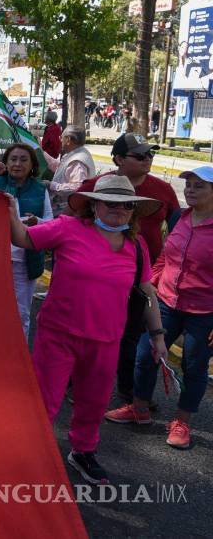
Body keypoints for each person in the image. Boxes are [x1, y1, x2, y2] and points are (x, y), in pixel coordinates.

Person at [9, 175, 165, 484]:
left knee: (93, 402)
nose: (118, 209)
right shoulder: (68, 228)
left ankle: (82, 450)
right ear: (94, 205)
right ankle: (29, 453)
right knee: (44, 399)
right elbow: (23, 238)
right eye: (110, 202)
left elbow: (147, 291)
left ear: (134, 211)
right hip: (58, 335)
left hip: (106, 340)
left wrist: (158, 335)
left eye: (126, 205)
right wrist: (9, 211)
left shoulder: (136, 246)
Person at [105, 166, 213, 450]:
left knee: (194, 367)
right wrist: (150, 284)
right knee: (145, 355)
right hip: (166, 301)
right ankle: (139, 408)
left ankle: (182, 422)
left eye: (199, 186)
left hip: (204, 312)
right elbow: (166, 256)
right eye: (189, 184)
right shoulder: (181, 218)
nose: (190, 190)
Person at [75, 133, 181, 401]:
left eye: (150, 154)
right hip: (99, 277)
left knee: (131, 333)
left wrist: (167, 269)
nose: (148, 159)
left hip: (143, 278)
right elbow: (72, 220)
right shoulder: (97, 186)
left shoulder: (163, 190)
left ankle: (127, 388)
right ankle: (76, 382)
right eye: (141, 155)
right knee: (89, 331)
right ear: (119, 159)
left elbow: (179, 229)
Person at [0, 143, 53, 339]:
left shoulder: (40, 189)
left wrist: (37, 222)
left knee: (20, 314)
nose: (17, 164)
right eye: (13, 159)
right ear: (6, 162)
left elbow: (50, 222)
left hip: (25, 263)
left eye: (23, 160)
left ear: (32, 165)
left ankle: (18, 353)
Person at [44, 126, 96, 217]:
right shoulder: (78, 153)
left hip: (67, 212)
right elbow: (61, 169)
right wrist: (42, 153)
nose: (60, 140)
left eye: (61, 137)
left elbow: (78, 187)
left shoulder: (77, 161)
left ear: (68, 140)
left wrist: (51, 185)